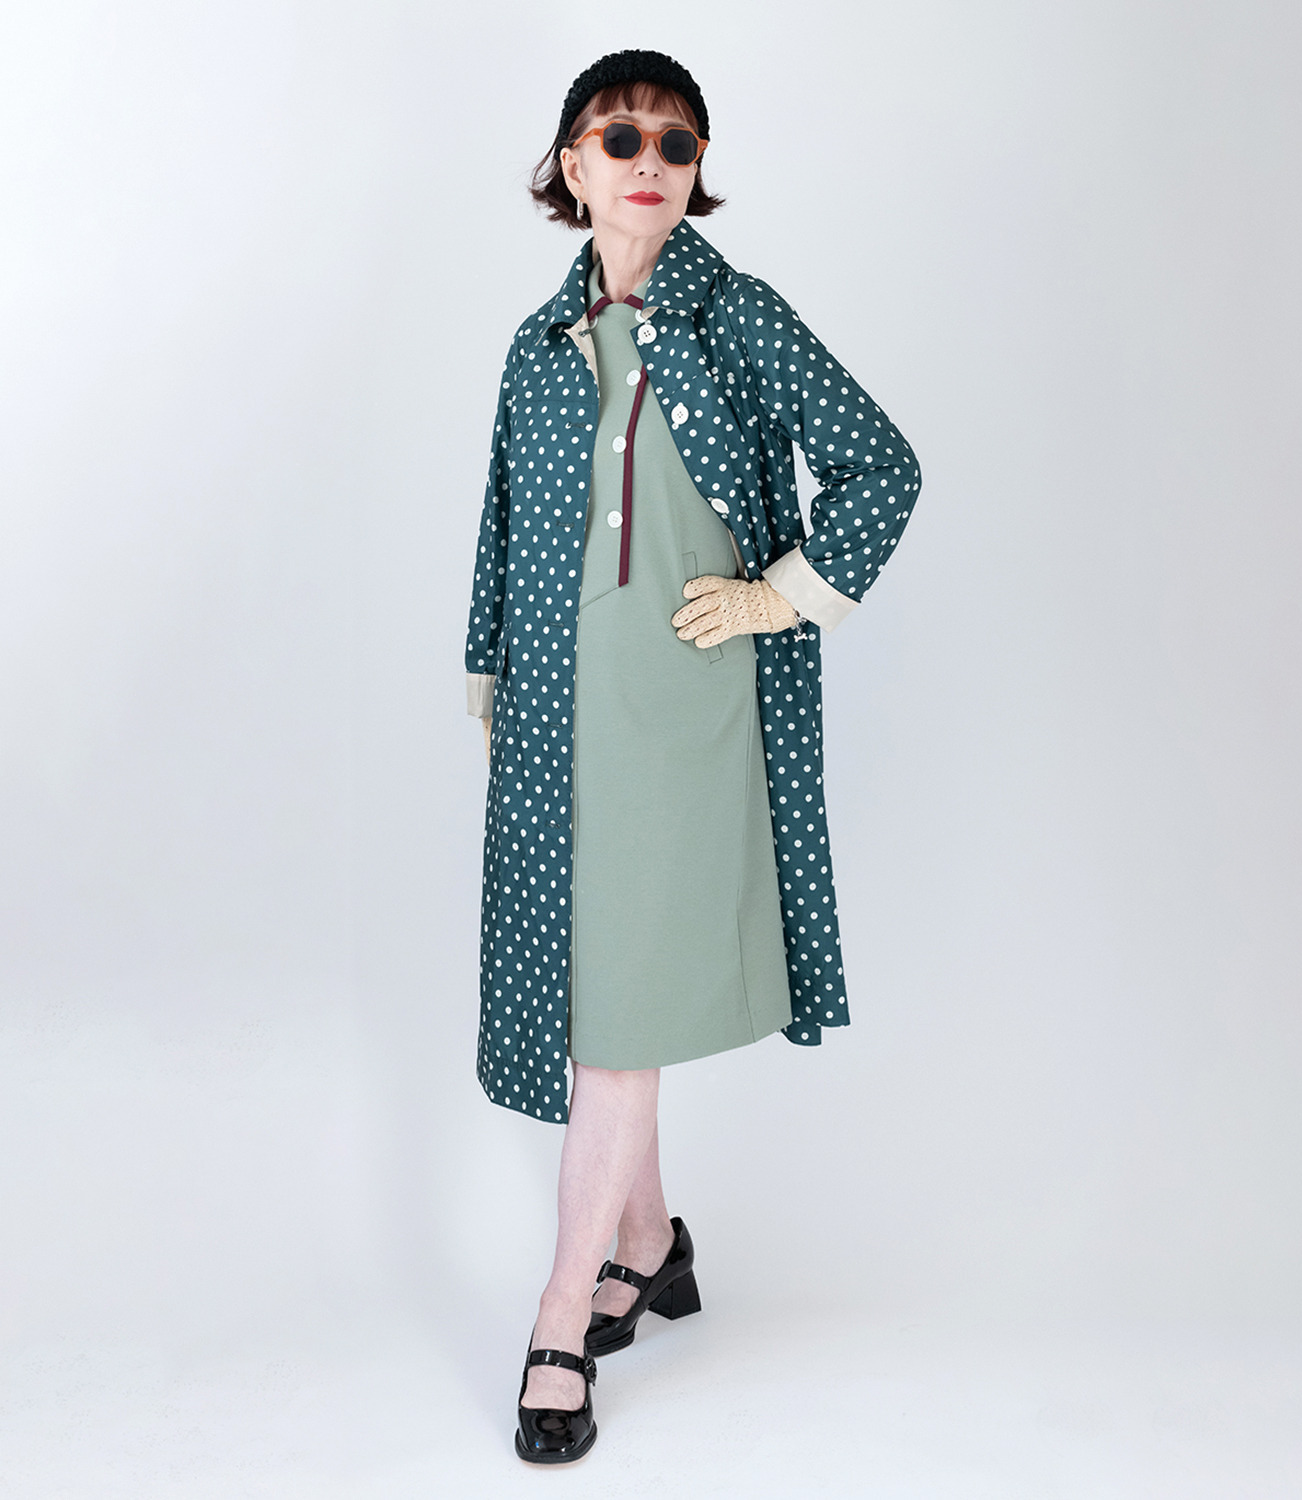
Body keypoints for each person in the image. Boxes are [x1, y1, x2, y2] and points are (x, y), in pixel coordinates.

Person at [463, 48, 921, 1464]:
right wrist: (491, 670)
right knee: (606, 1000)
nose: (650, 159)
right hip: (561, 720)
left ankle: (561, 1314)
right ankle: (649, 1246)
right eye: (620, 136)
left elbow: (884, 463)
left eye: (677, 140)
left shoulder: (740, 317)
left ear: (697, 169)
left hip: (689, 718)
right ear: (571, 165)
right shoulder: (536, 347)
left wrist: (785, 594)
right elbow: (501, 524)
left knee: (618, 1020)